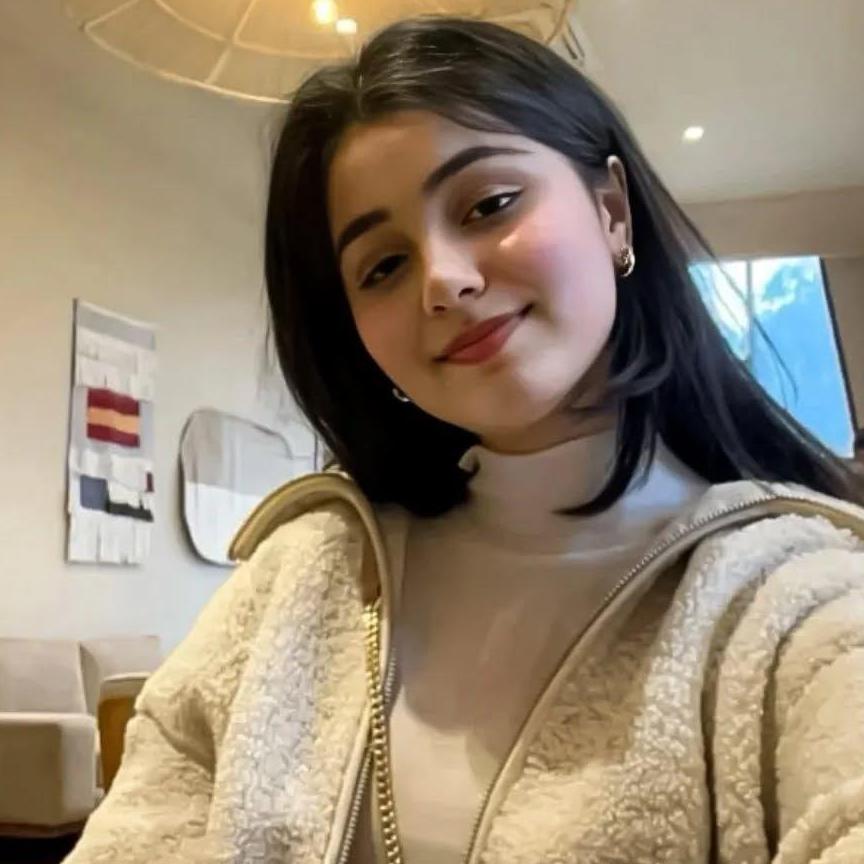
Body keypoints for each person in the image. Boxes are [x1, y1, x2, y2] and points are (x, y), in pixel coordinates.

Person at [64, 17, 864, 864]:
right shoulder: (304, 574)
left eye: (488, 206)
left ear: (611, 211)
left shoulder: (791, 597)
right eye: (383, 266)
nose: (443, 281)